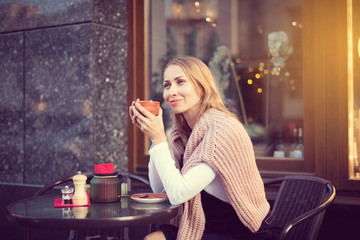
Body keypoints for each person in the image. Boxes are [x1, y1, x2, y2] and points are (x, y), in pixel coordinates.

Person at [129, 56, 281, 240]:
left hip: (246, 231)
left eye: (180, 82)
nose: (172, 91)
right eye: (167, 85)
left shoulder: (222, 130)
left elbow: (178, 194)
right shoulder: (181, 132)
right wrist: (155, 140)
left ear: (201, 87)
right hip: (204, 225)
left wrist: (158, 137)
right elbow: (161, 189)